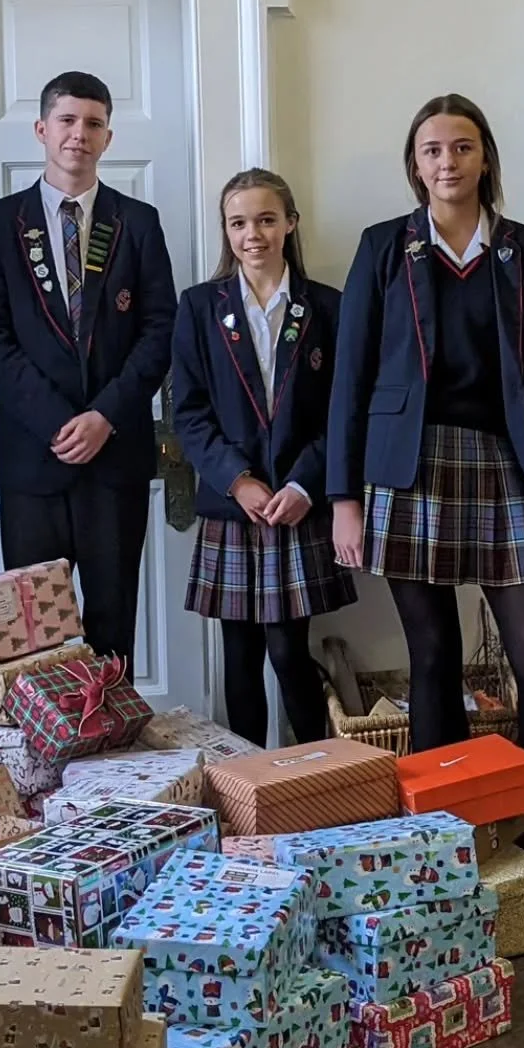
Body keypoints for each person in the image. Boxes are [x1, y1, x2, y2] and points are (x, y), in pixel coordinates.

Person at [327, 93, 524, 889]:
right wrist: (343, 496)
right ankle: (442, 844)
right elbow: (351, 380)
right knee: (431, 656)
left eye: (462, 148)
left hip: (508, 467)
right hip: (408, 469)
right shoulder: (382, 249)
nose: (447, 162)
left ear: (484, 159)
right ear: (415, 164)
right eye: (432, 150)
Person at [0, 70, 176, 660]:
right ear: (41, 129)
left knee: (112, 627)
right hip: (34, 458)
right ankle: (48, 751)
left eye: (93, 123)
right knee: (35, 633)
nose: (79, 134)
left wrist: (105, 415)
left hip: (116, 456)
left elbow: (161, 331)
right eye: (67, 120)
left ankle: (117, 747)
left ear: (108, 138)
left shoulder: (138, 223)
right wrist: (59, 420)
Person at [172, 168, 356, 746]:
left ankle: (314, 770)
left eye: (267, 219)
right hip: (236, 507)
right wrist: (237, 480)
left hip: (297, 505)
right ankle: (247, 782)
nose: (253, 233)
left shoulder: (327, 307)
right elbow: (190, 411)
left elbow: (342, 413)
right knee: (240, 655)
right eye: (239, 222)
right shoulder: (200, 307)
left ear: (290, 224)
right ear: (226, 231)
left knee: (287, 650)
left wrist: (304, 486)